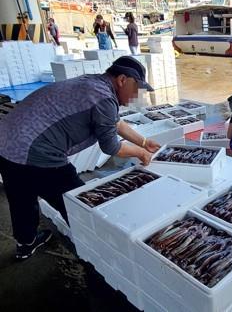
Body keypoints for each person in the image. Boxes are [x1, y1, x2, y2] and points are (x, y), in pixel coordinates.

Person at [0, 56, 160, 260]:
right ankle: (98, 255)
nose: (137, 94)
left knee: (21, 197)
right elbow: (112, 147)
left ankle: (26, 244)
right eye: (137, 87)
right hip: (36, 151)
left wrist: (144, 142)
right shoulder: (104, 98)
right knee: (77, 203)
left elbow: (116, 123)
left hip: (6, 142)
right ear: (122, 79)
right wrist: (142, 153)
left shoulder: (94, 84)